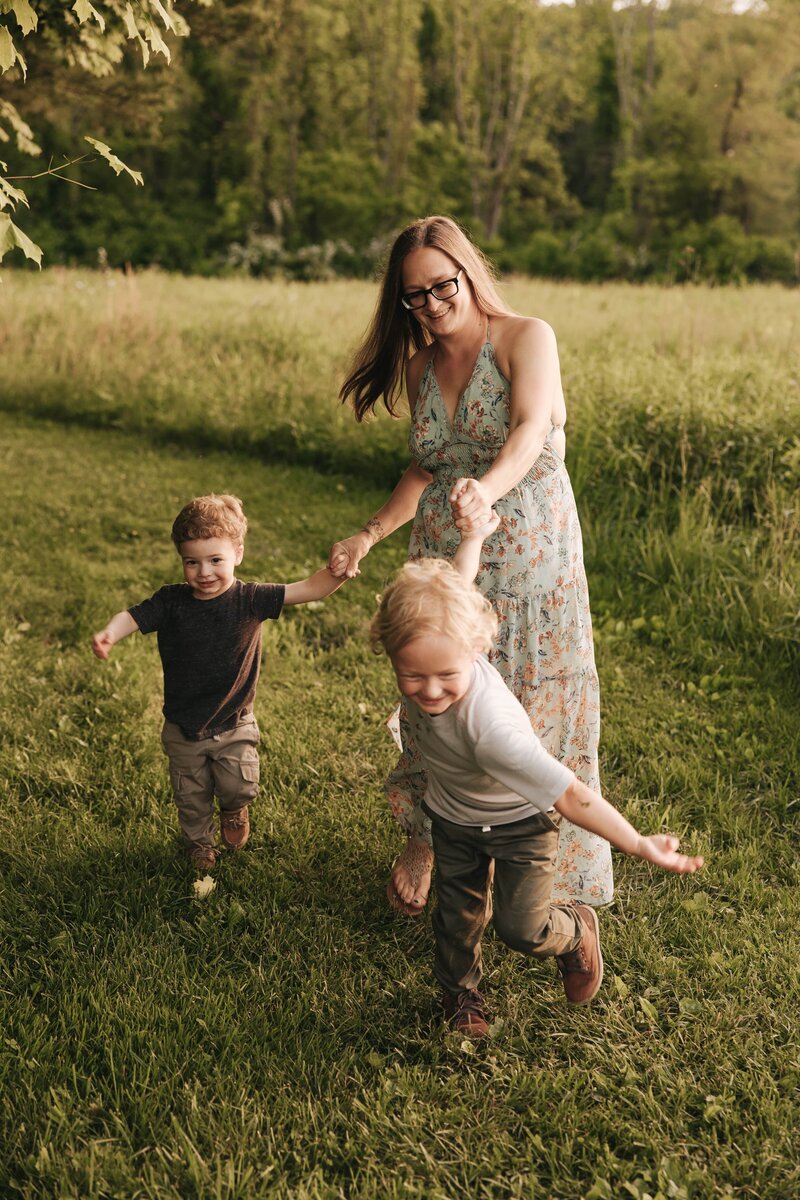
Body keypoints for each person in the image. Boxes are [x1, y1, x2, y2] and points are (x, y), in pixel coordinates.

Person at [329, 214, 612, 916]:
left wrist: (484, 491)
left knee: (532, 707)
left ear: (468, 271)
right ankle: (429, 837)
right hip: (445, 564)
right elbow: (426, 469)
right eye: (413, 296)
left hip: (529, 562)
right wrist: (367, 535)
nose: (429, 303)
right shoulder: (422, 365)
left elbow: (529, 428)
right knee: (436, 700)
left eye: (440, 285)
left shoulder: (526, 337)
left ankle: (550, 870)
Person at [369, 527, 704, 1038]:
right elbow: (458, 584)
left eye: (443, 675)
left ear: (475, 647)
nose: (429, 690)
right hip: (454, 819)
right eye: (412, 676)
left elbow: (572, 795)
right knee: (457, 919)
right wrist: (474, 534)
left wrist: (638, 843)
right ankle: (461, 996)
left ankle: (574, 931)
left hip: (519, 824)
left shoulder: (492, 732)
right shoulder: (445, 637)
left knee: (522, 930)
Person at [92, 494, 346, 870]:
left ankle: (234, 809)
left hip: (234, 720)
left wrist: (338, 572)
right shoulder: (171, 601)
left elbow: (307, 588)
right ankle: (199, 846)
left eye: (215, 560)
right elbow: (132, 616)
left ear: (237, 554)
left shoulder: (251, 599)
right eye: (191, 562)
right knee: (190, 796)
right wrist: (111, 634)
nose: (204, 572)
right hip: (183, 723)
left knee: (237, 785)